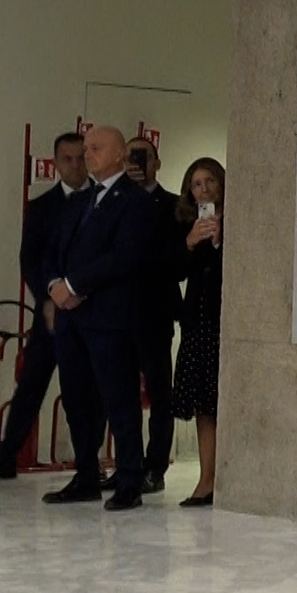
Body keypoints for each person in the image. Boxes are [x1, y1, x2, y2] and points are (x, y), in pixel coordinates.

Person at [41, 126, 157, 512]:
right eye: (85, 148)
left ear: (120, 153)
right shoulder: (79, 200)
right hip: (71, 319)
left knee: (119, 402)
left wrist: (74, 284)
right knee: (76, 400)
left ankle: (129, 481)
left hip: (109, 318)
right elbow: (54, 249)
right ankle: (86, 476)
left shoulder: (135, 201)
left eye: (96, 147)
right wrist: (56, 283)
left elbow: (123, 257)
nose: (87, 154)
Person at [0, 132, 88, 482]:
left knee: (86, 391)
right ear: (55, 163)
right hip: (50, 314)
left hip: (90, 313)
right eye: (67, 159)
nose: (75, 165)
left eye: (81, 157)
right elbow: (30, 260)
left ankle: (87, 467)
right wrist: (48, 299)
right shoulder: (41, 207)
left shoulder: (102, 200)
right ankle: (5, 459)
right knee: (31, 385)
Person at [121, 135, 182, 494]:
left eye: (144, 157)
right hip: (118, 313)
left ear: (157, 163)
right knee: (122, 393)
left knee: (160, 394)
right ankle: (127, 464)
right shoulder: (116, 203)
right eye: (130, 156)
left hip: (156, 312)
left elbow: (175, 261)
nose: (137, 163)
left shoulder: (173, 206)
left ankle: (154, 467)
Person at [171, 158, 223, 508]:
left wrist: (220, 242)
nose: (203, 189)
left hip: (224, 323)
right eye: (196, 184)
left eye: (209, 182)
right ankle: (205, 480)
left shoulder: (238, 220)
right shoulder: (186, 226)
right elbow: (174, 271)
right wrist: (190, 242)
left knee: (223, 403)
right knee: (204, 405)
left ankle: (224, 479)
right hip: (197, 323)